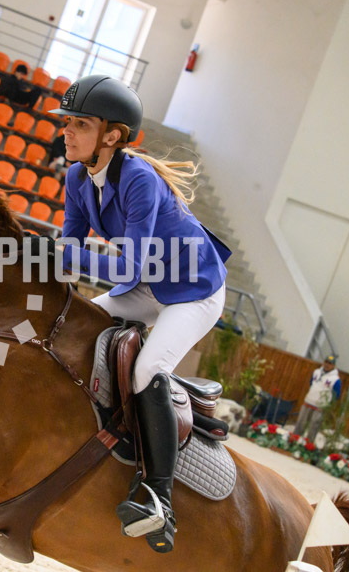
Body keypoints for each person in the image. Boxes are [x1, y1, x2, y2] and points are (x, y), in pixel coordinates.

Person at [48, 75, 231, 553]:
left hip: (193, 291)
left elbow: (122, 264)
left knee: (149, 368)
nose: (66, 131)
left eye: (80, 124)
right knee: (77, 325)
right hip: (148, 285)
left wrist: (57, 254)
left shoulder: (139, 180)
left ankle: (158, 496)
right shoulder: (76, 177)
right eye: (66, 122)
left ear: (112, 135)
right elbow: (69, 248)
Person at [293, 355, 341, 443]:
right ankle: (293, 440)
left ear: (333, 366)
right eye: (326, 362)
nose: (327, 365)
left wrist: (327, 406)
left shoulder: (335, 379)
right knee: (300, 423)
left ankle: (308, 445)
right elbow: (311, 383)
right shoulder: (316, 372)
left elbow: (336, 395)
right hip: (308, 401)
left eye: (330, 363)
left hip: (320, 407)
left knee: (313, 426)